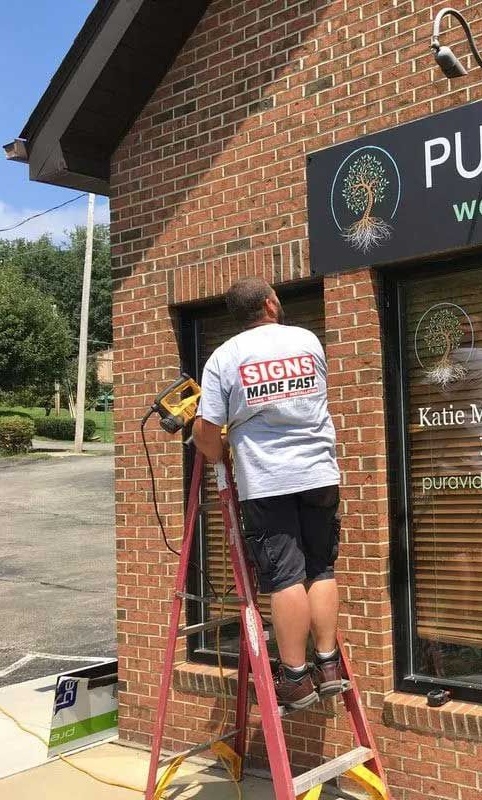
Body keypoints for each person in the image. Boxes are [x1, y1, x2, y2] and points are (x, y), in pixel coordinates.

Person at [193, 276, 342, 710]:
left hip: (266, 480)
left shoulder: (224, 357)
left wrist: (224, 453)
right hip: (318, 473)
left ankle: (295, 677)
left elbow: (204, 432)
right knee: (321, 568)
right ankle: (328, 664)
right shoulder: (307, 340)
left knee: (284, 577)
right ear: (271, 304)